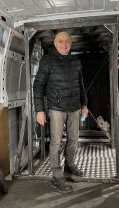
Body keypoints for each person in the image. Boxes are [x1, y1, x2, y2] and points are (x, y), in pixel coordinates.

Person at [33, 31, 88, 194]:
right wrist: (39, 110)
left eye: (67, 42)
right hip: (56, 109)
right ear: (55, 42)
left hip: (75, 108)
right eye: (61, 41)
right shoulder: (47, 60)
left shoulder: (76, 61)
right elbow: (38, 86)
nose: (64, 44)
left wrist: (84, 104)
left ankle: (69, 167)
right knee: (56, 143)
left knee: (74, 140)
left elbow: (81, 85)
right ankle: (57, 176)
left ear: (71, 44)